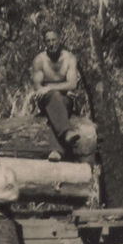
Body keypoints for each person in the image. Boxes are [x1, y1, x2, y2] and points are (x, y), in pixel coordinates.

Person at [29, 30, 81, 161]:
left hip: (65, 99)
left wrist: (50, 87)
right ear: (45, 43)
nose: (51, 44)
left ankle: (56, 151)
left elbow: (73, 84)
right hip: (46, 100)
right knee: (54, 96)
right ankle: (67, 132)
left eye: (54, 40)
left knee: (60, 100)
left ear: (59, 40)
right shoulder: (39, 60)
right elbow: (38, 87)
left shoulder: (69, 58)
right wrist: (51, 90)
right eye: (48, 41)